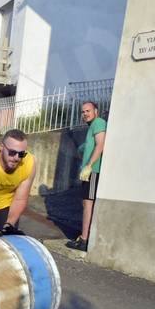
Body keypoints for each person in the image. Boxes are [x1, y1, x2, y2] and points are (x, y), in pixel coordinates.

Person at [67, 101, 106, 252]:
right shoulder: (92, 127)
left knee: (88, 205)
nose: (85, 114)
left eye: (88, 111)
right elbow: (91, 144)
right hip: (88, 172)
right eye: (83, 112)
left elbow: (100, 144)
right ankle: (84, 237)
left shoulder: (99, 122)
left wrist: (89, 165)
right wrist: (82, 148)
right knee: (85, 204)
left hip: (93, 171)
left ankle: (84, 240)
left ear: (96, 111)